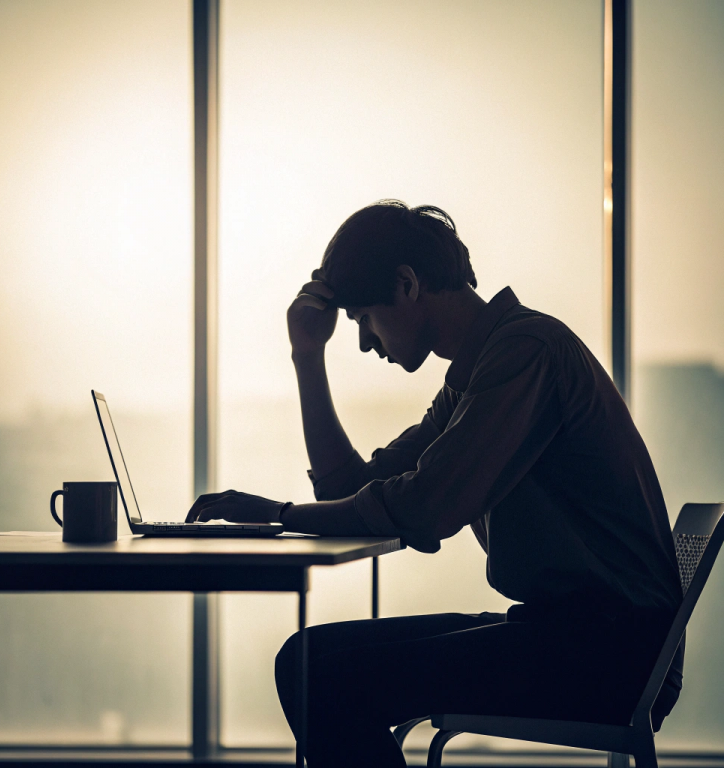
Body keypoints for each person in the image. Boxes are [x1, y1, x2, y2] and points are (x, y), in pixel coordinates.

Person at [186, 200, 684, 768]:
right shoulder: (478, 374)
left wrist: (282, 515)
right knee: (307, 659)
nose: (367, 343)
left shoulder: (525, 354)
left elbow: (427, 507)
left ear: (407, 285)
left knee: (319, 673)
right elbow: (351, 487)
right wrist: (307, 355)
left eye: (364, 319)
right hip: (572, 633)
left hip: (609, 653)